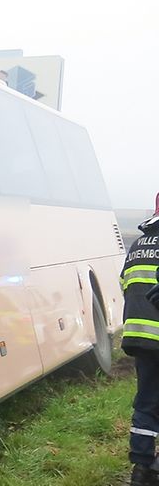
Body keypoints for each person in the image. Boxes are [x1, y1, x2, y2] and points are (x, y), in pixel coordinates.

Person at [124, 193, 159, 486]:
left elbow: (124, 282)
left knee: (146, 401)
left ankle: (141, 468)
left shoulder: (137, 245)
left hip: (139, 335)